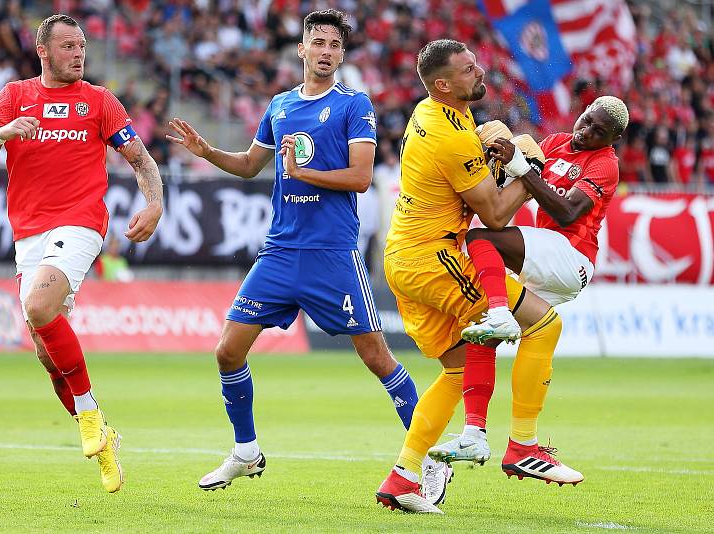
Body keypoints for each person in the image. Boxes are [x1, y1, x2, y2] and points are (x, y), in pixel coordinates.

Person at [166, 9, 448, 502]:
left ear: (342, 54)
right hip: (279, 250)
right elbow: (253, 164)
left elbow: (361, 177)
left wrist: (303, 174)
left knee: (376, 355)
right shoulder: (280, 105)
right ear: (301, 49)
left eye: (334, 45)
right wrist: (207, 151)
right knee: (227, 350)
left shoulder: (353, 105)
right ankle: (246, 449)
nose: (325, 51)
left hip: (332, 252)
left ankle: (429, 459)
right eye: (317, 42)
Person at [374, 39, 582, 514]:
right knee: (543, 324)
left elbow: (472, 188)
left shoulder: (439, 113)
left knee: (458, 369)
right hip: (434, 256)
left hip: (405, 258)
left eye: (476, 63)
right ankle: (518, 445)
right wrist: (528, 167)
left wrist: (495, 159)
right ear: (443, 84)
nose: (480, 71)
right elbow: (493, 214)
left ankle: (402, 476)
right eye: (468, 70)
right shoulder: (448, 133)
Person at [0, 14, 163, 493]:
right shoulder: (15, 96)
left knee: (38, 306)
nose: (79, 53)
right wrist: (3, 134)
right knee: (45, 352)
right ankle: (103, 438)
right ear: (44, 51)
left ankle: (90, 413)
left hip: (81, 223)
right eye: (69, 46)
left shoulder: (99, 102)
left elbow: (141, 160)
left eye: (82, 45)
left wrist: (155, 202)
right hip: (27, 233)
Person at [430, 96, 628, 472]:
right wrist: (498, 161)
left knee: (481, 239)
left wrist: (521, 165)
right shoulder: (553, 143)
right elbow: (519, 182)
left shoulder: (605, 165)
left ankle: (502, 313)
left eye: (598, 131)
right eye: (585, 121)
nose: (585, 132)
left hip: (571, 256)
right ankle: (483, 437)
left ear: (613, 138)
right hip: (547, 259)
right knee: (481, 332)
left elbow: (567, 211)